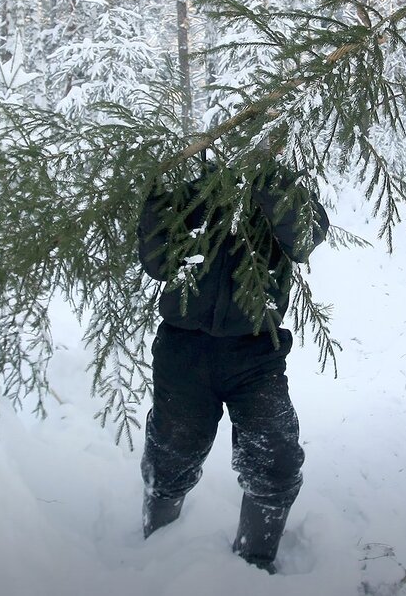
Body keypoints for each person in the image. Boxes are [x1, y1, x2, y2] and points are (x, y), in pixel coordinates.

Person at [136, 158, 330, 574]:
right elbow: (156, 262)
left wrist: (267, 180)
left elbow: (305, 239)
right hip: (183, 350)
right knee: (172, 454)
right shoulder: (193, 184)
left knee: (275, 458)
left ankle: (255, 564)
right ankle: (155, 553)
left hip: (256, 353)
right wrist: (156, 194)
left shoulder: (283, 184)